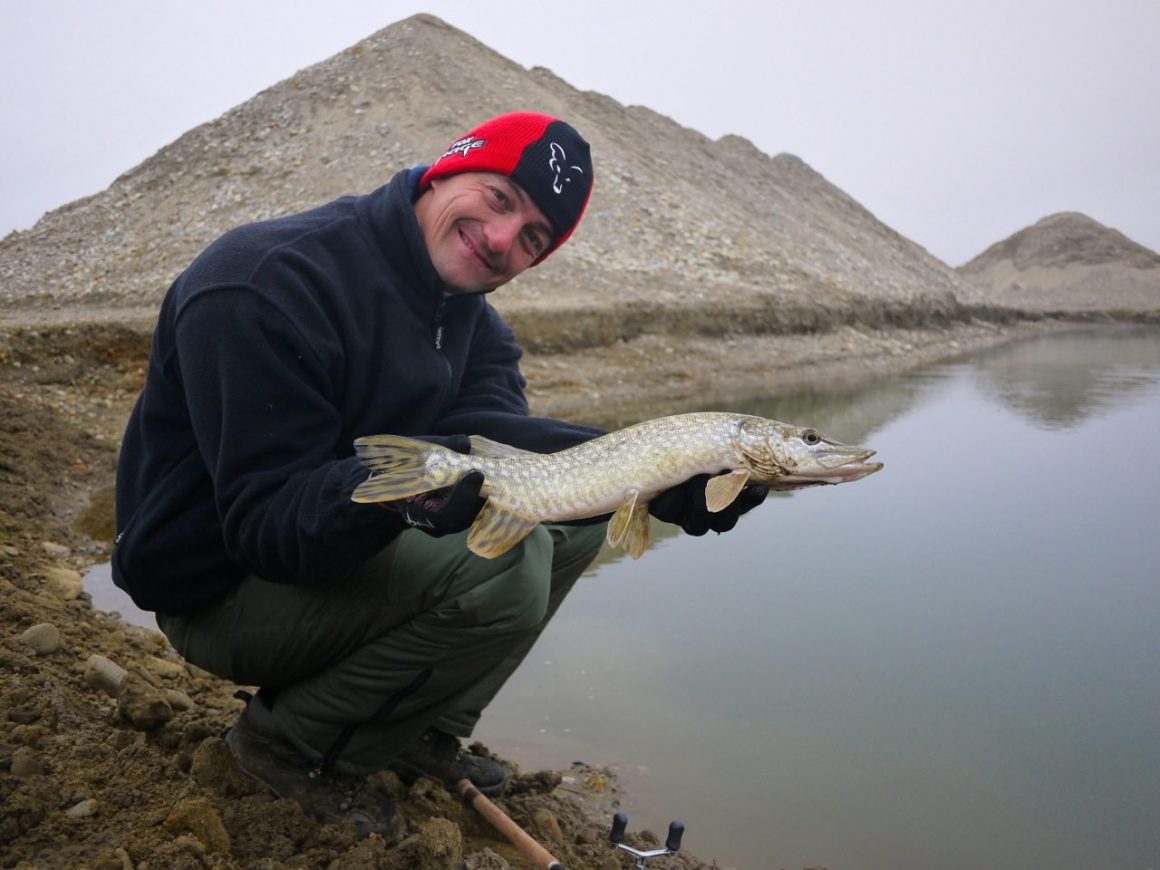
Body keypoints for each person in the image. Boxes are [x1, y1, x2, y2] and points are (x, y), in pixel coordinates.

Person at [112, 112, 766, 841]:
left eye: (531, 239)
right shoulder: (266, 281)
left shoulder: (473, 325)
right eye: (498, 198)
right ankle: (292, 748)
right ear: (447, 169)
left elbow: (507, 435)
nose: (499, 240)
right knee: (505, 569)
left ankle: (417, 726)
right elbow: (268, 527)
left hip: (318, 553)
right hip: (215, 585)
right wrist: (412, 493)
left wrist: (655, 473)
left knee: (571, 523)